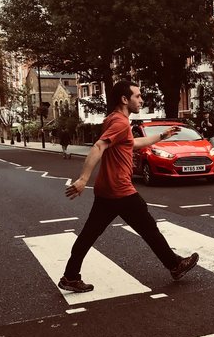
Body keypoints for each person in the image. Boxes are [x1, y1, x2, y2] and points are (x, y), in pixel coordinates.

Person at [59, 80, 199, 293]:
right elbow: (98, 146)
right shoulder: (120, 123)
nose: (141, 100)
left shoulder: (113, 120)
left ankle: (70, 276)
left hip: (106, 190)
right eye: (137, 96)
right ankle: (174, 265)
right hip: (120, 190)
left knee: (89, 234)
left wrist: (161, 136)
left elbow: (132, 143)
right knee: (149, 229)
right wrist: (83, 179)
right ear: (125, 99)